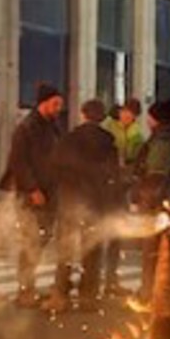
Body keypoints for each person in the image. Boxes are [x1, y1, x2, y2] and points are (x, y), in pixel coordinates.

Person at [42, 99, 119, 313]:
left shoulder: (70, 139)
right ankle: (88, 296)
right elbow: (113, 174)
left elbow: (54, 166)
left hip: (71, 199)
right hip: (96, 201)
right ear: (102, 117)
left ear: (83, 114)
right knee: (92, 249)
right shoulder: (108, 142)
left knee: (66, 248)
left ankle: (61, 295)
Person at [0, 83, 64, 308]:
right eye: (55, 104)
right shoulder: (25, 128)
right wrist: (32, 188)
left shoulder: (53, 127)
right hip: (30, 195)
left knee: (42, 239)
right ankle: (25, 290)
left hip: (50, 193)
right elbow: (18, 162)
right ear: (43, 103)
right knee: (30, 241)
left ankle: (29, 286)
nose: (59, 109)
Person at [132, 100, 170, 301]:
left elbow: (156, 175)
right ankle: (161, 294)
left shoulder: (162, 140)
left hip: (159, 204)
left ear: (155, 119)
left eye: (149, 117)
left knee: (152, 250)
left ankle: (149, 294)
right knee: (166, 251)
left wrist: (144, 200)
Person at [101, 98, 144, 296]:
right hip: (105, 185)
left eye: (131, 114)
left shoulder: (137, 133)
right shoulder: (108, 126)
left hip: (123, 185)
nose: (127, 116)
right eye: (125, 112)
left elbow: (137, 158)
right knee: (98, 232)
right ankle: (92, 278)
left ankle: (111, 278)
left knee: (116, 233)